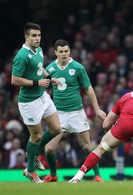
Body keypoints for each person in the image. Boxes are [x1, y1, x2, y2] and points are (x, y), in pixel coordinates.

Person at [42, 39, 107, 182]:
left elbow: (88, 89)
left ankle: (97, 175)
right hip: (58, 114)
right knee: (49, 149)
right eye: (61, 51)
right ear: (56, 52)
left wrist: (96, 109)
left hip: (77, 112)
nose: (64, 54)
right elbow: (43, 89)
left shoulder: (78, 68)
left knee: (86, 147)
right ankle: (53, 175)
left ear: (69, 51)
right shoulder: (50, 69)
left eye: (66, 51)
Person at [11, 22, 62, 183]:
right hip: (29, 102)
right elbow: (14, 79)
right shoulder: (22, 56)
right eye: (34, 36)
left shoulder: (38, 50)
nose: (37, 38)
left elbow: (40, 68)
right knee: (37, 135)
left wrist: (48, 78)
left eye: (39, 35)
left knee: (56, 128)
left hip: (43, 96)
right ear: (26, 37)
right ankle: (30, 171)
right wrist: (37, 83)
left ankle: (33, 155)